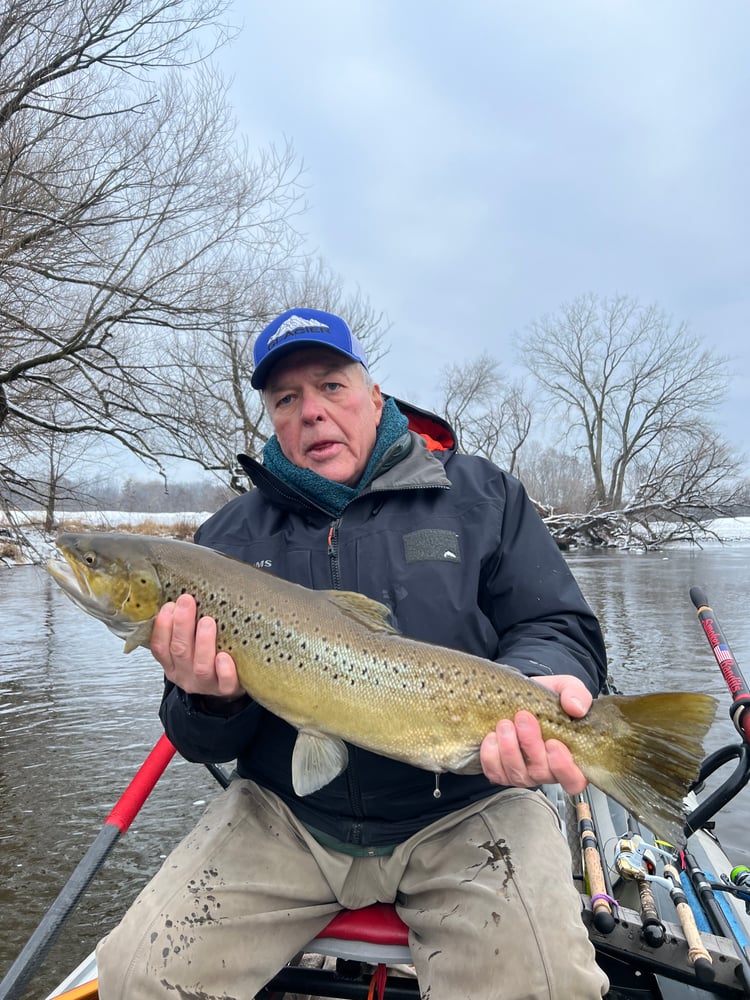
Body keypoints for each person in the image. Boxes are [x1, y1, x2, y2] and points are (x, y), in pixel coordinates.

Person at [96, 308, 610, 999]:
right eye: (286, 399)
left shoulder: (483, 498)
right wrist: (206, 697)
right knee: (134, 975)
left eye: (331, 386)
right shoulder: (223, 541)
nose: (311, 412)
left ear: (375, 397)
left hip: (466, 804)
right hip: (285, 813)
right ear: (271, 420)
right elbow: (195, 740)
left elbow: (556, 624)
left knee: (544, 986)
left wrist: (531, 685)